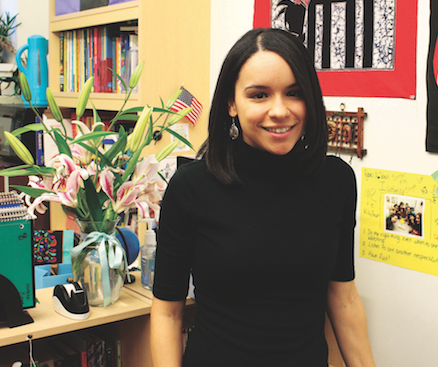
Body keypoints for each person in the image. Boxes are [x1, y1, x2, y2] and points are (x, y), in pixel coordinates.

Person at [150, 28, 375, 367]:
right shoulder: (191, 187)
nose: (280, 110)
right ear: (231, 103)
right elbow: (167, 313)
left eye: (294, 93)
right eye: (259, 95)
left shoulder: (336, 182)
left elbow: (342, 297)